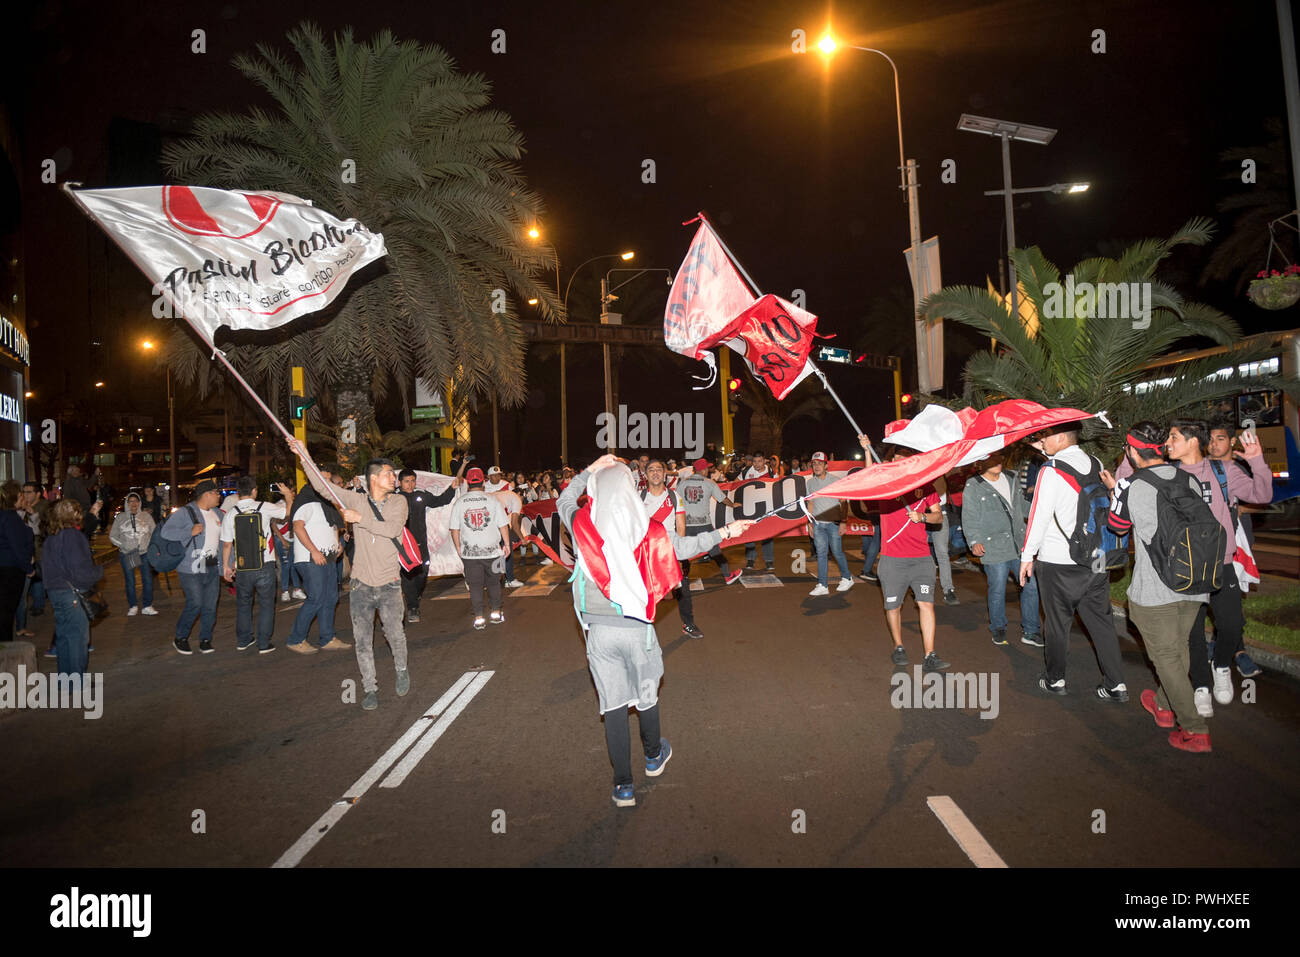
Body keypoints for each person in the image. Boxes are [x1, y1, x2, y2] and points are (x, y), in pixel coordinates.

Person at [558, 455, 752, 807]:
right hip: (637, 628)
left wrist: (592, 469)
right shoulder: (650, 530)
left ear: (597, 492)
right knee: (646, 695)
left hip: (599, 630)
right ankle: (653, 757)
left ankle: (623, 786)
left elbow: (564, 499)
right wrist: (726, 531)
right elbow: (685, 547)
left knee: (614, 705)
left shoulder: (582, 523)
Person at [1118, 418, 1272, 711]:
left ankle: (1222, 665)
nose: (1168, 443)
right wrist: (1131, 454)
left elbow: (1262, 495)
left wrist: (1258, 462)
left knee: (1231, 623)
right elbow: (1127, 483)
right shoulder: (1167, 473)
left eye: (1174, 437)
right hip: (1181, 566)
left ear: (1192, 441)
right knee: (1192, 632)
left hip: (1220, 561)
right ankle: (1201, 685)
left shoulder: (1222, 471)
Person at [1104, 422, 1212, 752]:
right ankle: (1164, 707)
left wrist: (1116, 492)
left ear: (1133, 452)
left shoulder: (1129, 485)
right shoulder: (1190, 478)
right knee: (1177, 649)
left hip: (1156, 588)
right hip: (1195, 580)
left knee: (1166, 655)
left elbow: (1116, 527)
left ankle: (1195, 729)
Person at [289, 440, 411, 710]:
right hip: (361, 585)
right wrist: (304, 455)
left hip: (390, 583)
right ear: (374, 478)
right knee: (363, 640)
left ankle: (401, 669)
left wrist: (360, 519)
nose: (395, 478)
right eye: (390, 474)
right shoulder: (356, 499)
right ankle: (369, 687)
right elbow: (323, 486)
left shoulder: (399, 502)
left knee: (395, 633)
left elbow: (391, 529)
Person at [1020, 425, 1127, 700]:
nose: (1042, 440)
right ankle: (1115, 684)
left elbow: (1039, 517)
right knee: (1102, 622)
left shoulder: (1050, 470)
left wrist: (1026, 556)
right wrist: (1046, 453)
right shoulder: (1095, 462)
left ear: (1060, 437)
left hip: (1058, 561)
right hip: (1096, 558)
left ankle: (1055, 680)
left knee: (1057, 624)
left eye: (1046, 436)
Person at [861, 429, 949, 672]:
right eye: (897, 457)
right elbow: (869, 478)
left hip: (921, 560)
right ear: (891, 462)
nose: (902, 461)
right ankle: (899, 645)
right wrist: (868, 450)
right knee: (893, 607)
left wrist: (922, 516)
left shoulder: (926, 486)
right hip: (892, 561)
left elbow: (938, 516)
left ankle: (930, 653)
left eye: (907, 457)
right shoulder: (886, 487)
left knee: (927, 604)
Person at [961, 451, 1040, 646]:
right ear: (981, 462)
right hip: (993, 545)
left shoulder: (1012, 477)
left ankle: (1030, 631)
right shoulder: (974, 485)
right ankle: (998, 627)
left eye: (999, 457)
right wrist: (973, 541)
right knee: (997, 588)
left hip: (1019, 544)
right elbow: (969, 516)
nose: (997, 462)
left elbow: (1022, 504)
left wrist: (1042, 514)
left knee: (1031, 586)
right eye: (991, 458)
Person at [220, 476, 293, 654]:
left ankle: (244, 640)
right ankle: (263, 643)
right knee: (266, 604)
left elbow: (227, 544)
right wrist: (288, 495)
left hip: (243, 567)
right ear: (254, 491)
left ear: (238, 494)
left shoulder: (231, 513)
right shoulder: (265, 507)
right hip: (264, 565)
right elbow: (287, 513)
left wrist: (226, 567)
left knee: (244, 604)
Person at [286, 462, 350, 654]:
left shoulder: (325, 502)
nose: (326, 482)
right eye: (323, 478)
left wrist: (337, 542)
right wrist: (314, 551)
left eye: (328, 479)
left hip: (328, 557)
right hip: (311, 558)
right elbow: (298, 527)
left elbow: (330, 526)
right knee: (316, 598)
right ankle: (295, 639)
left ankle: (327, 638)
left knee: (330, 597)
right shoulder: (306, 499)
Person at [642, 458, 704, 638]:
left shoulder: (674, 497)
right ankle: (642, 628)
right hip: (647, 553)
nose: (655, 472)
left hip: (670, 551)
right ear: (646, 475)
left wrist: (680, 552)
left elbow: (681, 526)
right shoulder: (638, 498)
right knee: (645, 593)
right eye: (651, 470)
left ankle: (689, 624)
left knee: (683, 590)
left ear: (664, 474)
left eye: (659, 469)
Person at [41, 499, 103, 678]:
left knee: (63, 638)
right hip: (72, 594)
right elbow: (80, 572)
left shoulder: (52, 537)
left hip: (56, 592)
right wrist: (98, 571)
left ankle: (65, 680)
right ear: (74, 515)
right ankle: (76, 681)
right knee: (77, 639)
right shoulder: (73, 537)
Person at [161, 479, 224, 655]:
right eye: (216, 493)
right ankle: (180, 637)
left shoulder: (219, 513)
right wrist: (188, 532)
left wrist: (227, 565)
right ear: (207, 494)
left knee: (210, 605)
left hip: (212, 566)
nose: (219, 496)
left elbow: (225, 541)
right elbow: (166, 532)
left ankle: (205, 639)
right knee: (195, 603)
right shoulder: (185, 512)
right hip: (190, 567)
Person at [399, 461, 466, 623]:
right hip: (401, 544)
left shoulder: (420, 496)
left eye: (412, 481)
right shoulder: (394, 498)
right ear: (399, 482)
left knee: (422, 572)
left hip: (420, 543)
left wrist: (452, 488)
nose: (410, 484)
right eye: (406, 481)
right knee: (408, 575)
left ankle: (414, 596)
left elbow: (440, 501)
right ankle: (413, 607)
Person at [448, 467, 510, 629]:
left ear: (468, 483)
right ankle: (496, 613)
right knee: (494, 583)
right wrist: (507, 545)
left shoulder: (460, 502)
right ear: (483, 481)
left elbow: (454, 529)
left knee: (475, 586)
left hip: (470, 554)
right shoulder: (493, 501)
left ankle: (479, 618)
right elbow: (503, 525)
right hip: (493, 552)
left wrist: (458, 548)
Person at [677, 457, 743, 586]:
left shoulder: (682, 483)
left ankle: (681, 579)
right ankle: (728, 575)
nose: (708, 470)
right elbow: (722, 499)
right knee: (715, 551)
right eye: (707, 468)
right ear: (703, 470)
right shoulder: (709, 483)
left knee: (685, 552)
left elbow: (676, 500)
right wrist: (733, 505)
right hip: (703, 524)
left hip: (686, 523)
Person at [804, 452, 853, 596]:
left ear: (826, 465)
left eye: (820, 463)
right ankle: (822, 585)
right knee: (821, 554)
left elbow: (843, 502)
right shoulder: (810, 483)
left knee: (837, 552)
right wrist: (810, 523)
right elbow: (811, 503)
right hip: (818, 524)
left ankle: (847, 577)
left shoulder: (836, 481)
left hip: (834, 523)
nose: (817, 466)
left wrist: (844, 522)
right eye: (814, 463)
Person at [108, 492, 157, 616]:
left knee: (148, 580)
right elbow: (113, 535)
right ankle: (133, 605)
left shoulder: (146, 516)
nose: (133, 503)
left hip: (144, 553)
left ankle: (147, 605)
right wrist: (124, 546)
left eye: (136, 501)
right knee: (130, 581)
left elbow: (154, 532)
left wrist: (152, 546)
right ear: (127, 503)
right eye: (131, 501)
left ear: (139, 503)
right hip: (128, 553)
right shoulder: (120, 517)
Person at [0, 481, 35, 642]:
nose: (24, 498)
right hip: (10, 570)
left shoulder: (6, 516)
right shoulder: (10, 518)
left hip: (6, 567)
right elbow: (17, 547)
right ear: (15, 498)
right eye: (21, 495)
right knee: (6, 612)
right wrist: (28, 568)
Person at [741, 452, 775, 570]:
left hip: (766, 508)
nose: (756, 464)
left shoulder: (772, 473)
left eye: (759, 461)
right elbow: (735, 483)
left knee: (767, 534)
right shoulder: (746, 471)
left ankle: (769, 561)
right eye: (754, 461)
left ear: (764, 461)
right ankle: (750, 560)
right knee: (749, 534)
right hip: (749, 508)